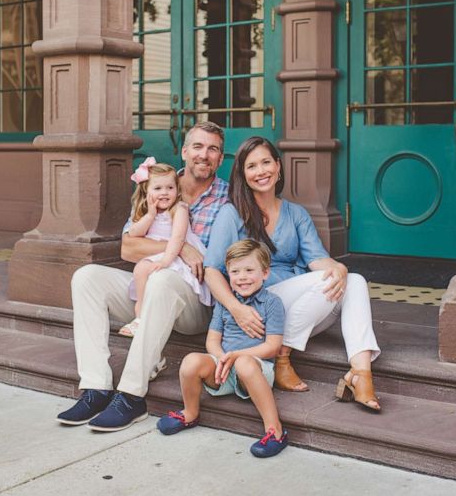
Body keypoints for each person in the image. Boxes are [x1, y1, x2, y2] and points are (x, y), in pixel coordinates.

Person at [58, 122, 229, 431]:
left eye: (213, 149)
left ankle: (132, 396)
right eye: (199, 147)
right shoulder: (156, 185)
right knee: (86, 277)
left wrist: (184, 253)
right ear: (185, 151)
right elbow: (128, 247)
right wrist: (178, 250)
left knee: (163, 279)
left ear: (220, 157)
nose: (205, 155)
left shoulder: (228, 200)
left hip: (195, 304)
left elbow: (216, 263)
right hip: (150, 285)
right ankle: (96, 387)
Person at [204, 136, 382, 412]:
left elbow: (317, 260)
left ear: (278, 165)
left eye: (266, 162)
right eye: (252, 166)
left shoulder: (296, 213)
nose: (261, 171)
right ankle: (284, 357)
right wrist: (236, 308)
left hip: (299, 310)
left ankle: (359, 373)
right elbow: (212, 270)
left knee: (353, 280)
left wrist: (339, 267)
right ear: (242, 174)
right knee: (332, 284)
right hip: (257, 310)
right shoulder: (232, 213)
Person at [156, 239, 289, 458]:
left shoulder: (271, 303)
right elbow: (212, 342)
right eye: (235, 271)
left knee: (245, 364)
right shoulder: (225, 303)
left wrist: (236, 356)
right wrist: (222, 358)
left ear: (265, 273)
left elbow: (272, 347)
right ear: (228, 275)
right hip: (224, 367)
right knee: (191, 360)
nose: (242, 277)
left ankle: (275, 430)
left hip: (255, 368)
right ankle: (190, 412)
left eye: (249, 270)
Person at [122, 159, 211, 337]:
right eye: (157, 188)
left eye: (170, 188)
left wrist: (166, 260)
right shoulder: (147, 211)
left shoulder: (180, 209)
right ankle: (140, 316)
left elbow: (177, 239)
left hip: (176, 257)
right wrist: (150, 215)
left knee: (147, 271)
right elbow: (133, 234)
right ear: (146, 191)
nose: (164, 193)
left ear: (177, 190)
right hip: (161, 255)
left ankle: (143, 319)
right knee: (141, 270)